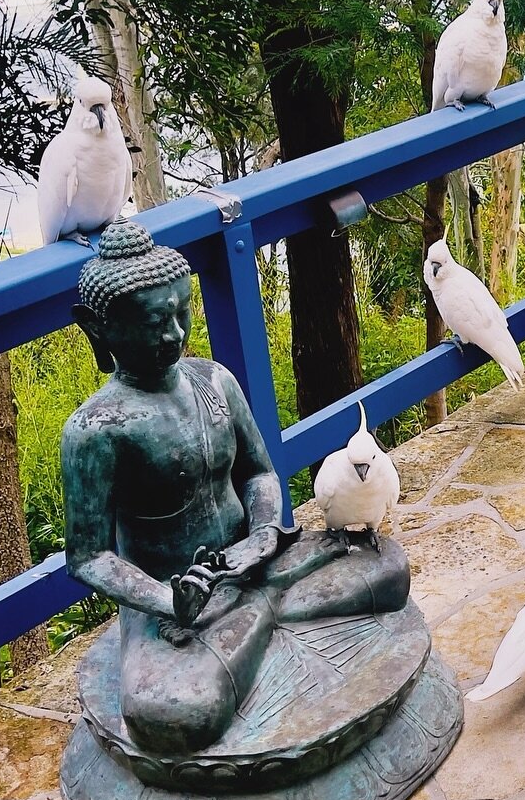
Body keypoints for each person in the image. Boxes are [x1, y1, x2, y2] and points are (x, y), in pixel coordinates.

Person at [62, 222, 408, 756]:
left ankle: (256, 614)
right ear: (99, 328)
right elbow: (90, 557)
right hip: (176, 595)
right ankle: (266, 618)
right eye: (155, 322)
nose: (175, 335)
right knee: (175, 714)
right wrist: (164, 599)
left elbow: (259, 474)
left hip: (256, 563)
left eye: (182, 314)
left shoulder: (215, 381)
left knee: (389, 570)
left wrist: (265, 532)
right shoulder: (96, 430)